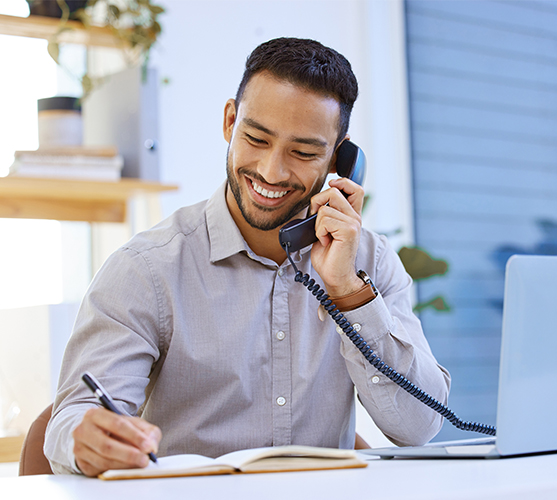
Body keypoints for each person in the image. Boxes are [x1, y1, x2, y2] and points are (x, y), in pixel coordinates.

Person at [44, 37, 451, 476]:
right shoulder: (147, 268)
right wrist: (85, 437)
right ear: (230, 121)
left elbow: (419, 427)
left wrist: (348, 294)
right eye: (256, 138)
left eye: (304, 152)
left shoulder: (368, 261)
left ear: (339, 159)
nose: (271, 172)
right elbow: (73, 418)